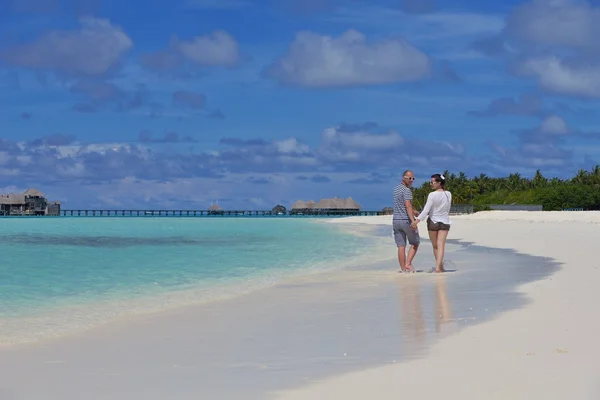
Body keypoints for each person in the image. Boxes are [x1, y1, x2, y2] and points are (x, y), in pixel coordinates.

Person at [411, 173, 452, 273]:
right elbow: (447, 208)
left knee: (435, 246)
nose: (430, 184)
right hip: (445, 222)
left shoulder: (432, 195)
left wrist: (416, 222)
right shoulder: (448, 194)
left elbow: (426, 210)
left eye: (432, 182)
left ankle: (438, 267)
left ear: (439, 183)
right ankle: (439, 267)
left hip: (433, 222)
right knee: (441, 245)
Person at [393, 170, 420, 273]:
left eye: (413, 178)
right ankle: (408, 264)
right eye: (410, 178)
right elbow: (407, 205)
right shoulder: (406, 190)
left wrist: (413, 211)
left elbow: (402, 205)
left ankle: (403, 269)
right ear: (403, 177)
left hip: (396, 220)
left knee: (401, 246)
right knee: (415, 242)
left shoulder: (396, 189)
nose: (412, 180)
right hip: (405, 220)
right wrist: (413, 220)